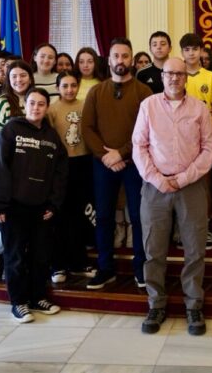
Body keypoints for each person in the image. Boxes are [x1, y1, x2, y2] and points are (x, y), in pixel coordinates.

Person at [132, 57, 212, 336]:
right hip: (155, 186)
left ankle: (193, 305)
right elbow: (139, 146)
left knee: (195, 248)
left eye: (180, 74)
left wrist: (183, 178)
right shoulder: (148, 106)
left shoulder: (199, 108)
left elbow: (209, 148)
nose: (174, 78)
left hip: (191, 185)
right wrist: (158, 178)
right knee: (153, 248)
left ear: (186, 78)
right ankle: (156, 304)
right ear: (162, 76)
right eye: (169, 73)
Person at [0, 88, 68, 323]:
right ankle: (19, 302)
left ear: (47, 108)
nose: (36, 108)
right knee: (16, 258)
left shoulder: (52, 137)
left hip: (41, 209)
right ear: (25, 105)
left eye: (41, 104)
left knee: (41, 256)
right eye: (32, 103)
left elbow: (60, 173)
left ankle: (38, 298)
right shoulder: (11, 130)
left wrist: (54, 204)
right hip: (13, 208)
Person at [83, 37, 152, 290]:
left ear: (131, 59)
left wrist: (122, 154)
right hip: (103, 165)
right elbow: (87, 128)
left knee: (138, 216)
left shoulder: (144, 92)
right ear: (109, 60)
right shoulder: (96, 92)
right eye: (116, 56)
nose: (120, 60)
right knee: (103, 216)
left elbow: (147, 130)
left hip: (135, 164)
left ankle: (141, 268)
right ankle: (105, 269)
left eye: (125, 56)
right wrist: (106, 157)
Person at [0, 60, 35, 284]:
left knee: (21, 223)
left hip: (28, 176)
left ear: (30, 77)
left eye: (23, 75)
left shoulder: (33, 101)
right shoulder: (2, 104)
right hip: (5, 174)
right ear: (8, 80)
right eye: (14, 77)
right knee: (7, 222)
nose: (19, 80)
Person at [47, 70, 97, 283]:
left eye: (73, 85)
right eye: (65, 86)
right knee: (60, 216)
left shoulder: (86, 105)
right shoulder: (51, 110)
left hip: (83, 163)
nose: (69, 90)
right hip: (61, 166)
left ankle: (78, 262)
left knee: (79, 216)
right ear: (57, 87)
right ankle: (57, 265)